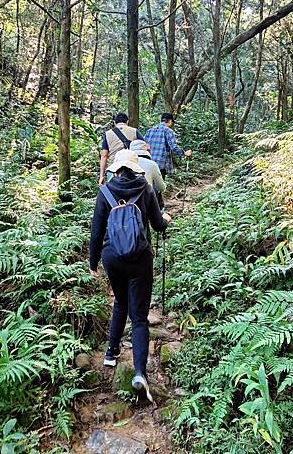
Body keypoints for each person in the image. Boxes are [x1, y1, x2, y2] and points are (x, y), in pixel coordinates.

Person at [89, 149, 171, 402]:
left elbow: (96, 232)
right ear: (136, 168)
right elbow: (158, 225)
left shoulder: (105, 193)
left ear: (115, 168)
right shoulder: (146, 189)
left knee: (120, 303)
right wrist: (166, 218)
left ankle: (110, 354)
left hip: (112, 257)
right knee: (139, 317)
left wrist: (93, 264)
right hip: (140, 258)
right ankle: (139, 372)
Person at [99, 112, 144, 185]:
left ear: (114, 122)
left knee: (113, 192)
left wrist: (101, 176)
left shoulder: (108, 134)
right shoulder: (134, 131)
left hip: (113, 167)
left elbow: (104, 156)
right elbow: (144, 147)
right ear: (127, 122)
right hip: (131, 166)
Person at [144, 112, 192, 178]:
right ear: (170, 121)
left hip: (148, 163)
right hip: (160, 164)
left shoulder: (149, 131)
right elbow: (174, 147)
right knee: (159, 186)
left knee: (149, 185)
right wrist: (184, 153)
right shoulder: (168, 131)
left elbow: (143, 145)